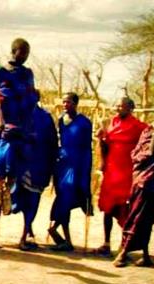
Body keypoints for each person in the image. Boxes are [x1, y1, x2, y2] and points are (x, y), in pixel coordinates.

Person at [113, 104, 154, 267]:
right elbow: (136, 152)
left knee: (143, 218)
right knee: (134, 215)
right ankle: (145, 255)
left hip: (153, 181)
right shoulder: (147, 130)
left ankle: (123, 253)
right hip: (138, 178)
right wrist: (142, 154)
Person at [0, 38, 39, 215]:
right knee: (1, 159)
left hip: (22, 127)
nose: (26, 56)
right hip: (3, 128)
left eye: (27, 53)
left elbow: (31, 100)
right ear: (15, 51)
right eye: (24, 52)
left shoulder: (27, 74)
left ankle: (6, 190)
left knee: (18, 162)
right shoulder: (0, 73)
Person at [96, 97, 147, 256]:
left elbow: (148, 141)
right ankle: (106, 243)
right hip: (111, 171)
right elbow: (105, 144)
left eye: (121, 106)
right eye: (116, 105)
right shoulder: (111, 123)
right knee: (107, 208)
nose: (118, 108)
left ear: (130, 108)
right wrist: (101, 138)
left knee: (126, 209)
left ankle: (124, 245)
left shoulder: (138, 126)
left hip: (127, 173)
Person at [11, 97, 58, 251]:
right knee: (20, 201)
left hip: (39, 166)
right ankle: (28, 230)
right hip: (21, 166)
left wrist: (51, 168)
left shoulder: (45, 118)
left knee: (33, 201)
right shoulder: (19, 115)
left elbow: (52, 144)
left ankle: (24, 236)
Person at [49, 92, 92, 251]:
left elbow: (87, 148)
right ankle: (66, 239)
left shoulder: (84, 123)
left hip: (77, 164)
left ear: (75, 104)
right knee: (62, 197)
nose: (65, 105)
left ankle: (55, 229)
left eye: (68, 102)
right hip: (62, 163)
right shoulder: (61, 120)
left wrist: (85, 169)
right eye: (64, 102)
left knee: (68, 196)